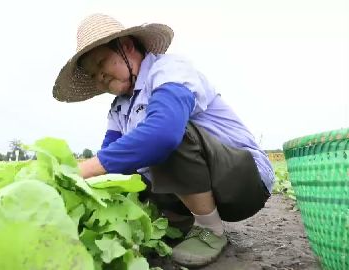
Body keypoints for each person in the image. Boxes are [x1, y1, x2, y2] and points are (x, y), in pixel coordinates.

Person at [52, 13, 275, 267]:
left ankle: (209, 229)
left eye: (101, 62)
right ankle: (177, 221)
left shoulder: (168, 70)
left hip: (243, 182)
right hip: (203, 184)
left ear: (126, 47)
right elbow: (112, 161)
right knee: (126, 163)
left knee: (159, 135)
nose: (100, 76)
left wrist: (80, 170)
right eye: (93, 74)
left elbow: (163, 134)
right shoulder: (118, 108)